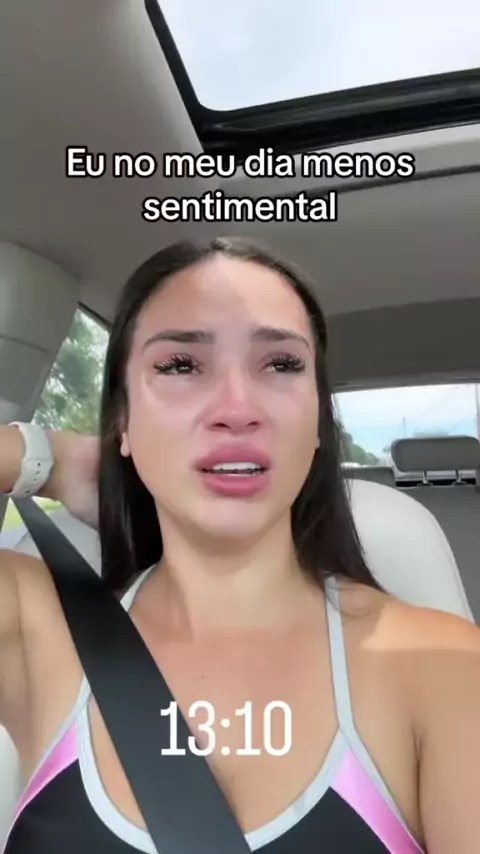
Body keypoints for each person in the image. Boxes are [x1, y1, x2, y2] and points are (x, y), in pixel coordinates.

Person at [0, 237, 479, 854]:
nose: (236, 408)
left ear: (317, 425)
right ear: (122, 420)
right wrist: (46, 456)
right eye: (180, 365)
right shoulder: (34, 627)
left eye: (280, 365)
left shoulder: (445, 667)